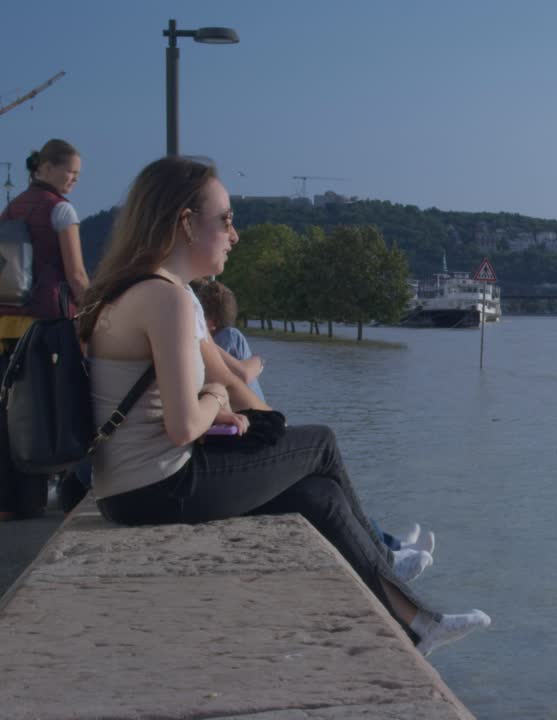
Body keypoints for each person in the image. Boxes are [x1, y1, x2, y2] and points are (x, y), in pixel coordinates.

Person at [79, 155, 489, 657]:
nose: (235, 234)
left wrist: (227, 410)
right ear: (185, 223)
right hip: (158, 488)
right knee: (320, 442)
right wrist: (215, 398)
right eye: (226, 219)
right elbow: (185, 424)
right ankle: (389, 559)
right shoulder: (168, 298)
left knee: (318, 497)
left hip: (127, 489)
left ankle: (417, 625)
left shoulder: (135, 290)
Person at [192, 277, 436, 580]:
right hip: (252, 430)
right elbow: (241, 375)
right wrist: (257, 360)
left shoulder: (196, 335)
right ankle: (388, 551)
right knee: (323, 466)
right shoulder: (225, 336)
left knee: (327, 480)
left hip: (243, 429)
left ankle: (390, 546)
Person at [0, 139, 92, 521]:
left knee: (9, 413)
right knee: (48, 409)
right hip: (46, 327)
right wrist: (98, 311)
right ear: (47, 168)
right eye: (70, 173)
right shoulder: (61, 211)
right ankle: (54, 492)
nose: (73, 181)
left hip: (7, 325)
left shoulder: (12, 208)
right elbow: (75, 274)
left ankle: (9, 501)